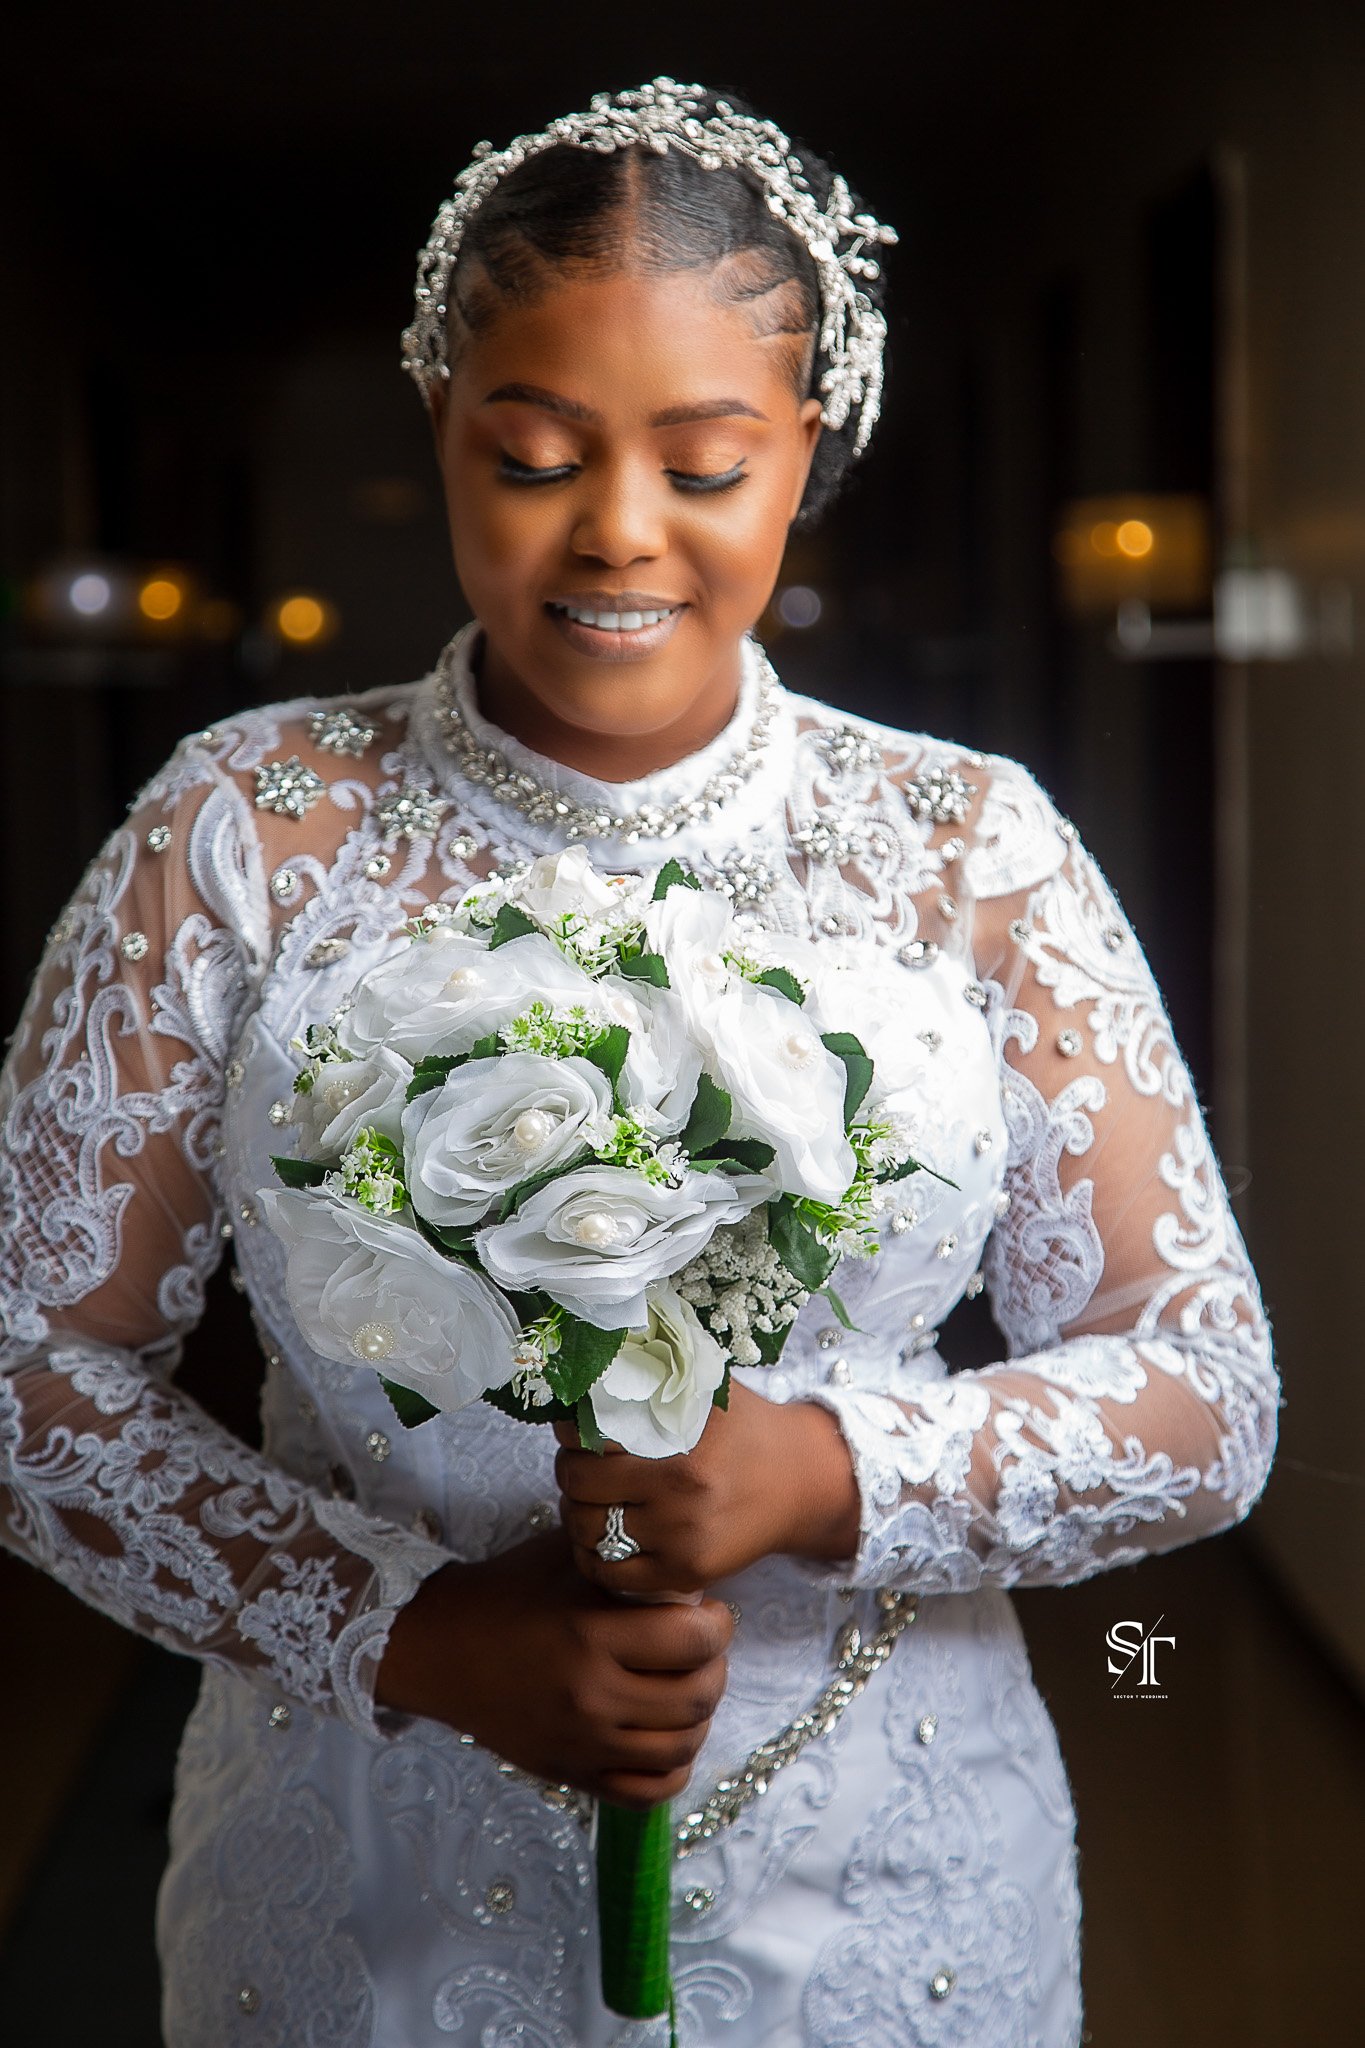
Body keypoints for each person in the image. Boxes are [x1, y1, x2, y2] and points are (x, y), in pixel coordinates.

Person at [0, 78, 1279, 2048]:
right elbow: (30, 1367)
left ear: (802, 459)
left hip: (888, 1871)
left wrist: (824, 1467)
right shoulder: (241, 828)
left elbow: (1199, 1388)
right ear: (442, 427)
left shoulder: (966, 844)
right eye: (529, 454)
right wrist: (408, 1630)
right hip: (360, 1868)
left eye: (702, 462)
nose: (615, 530)